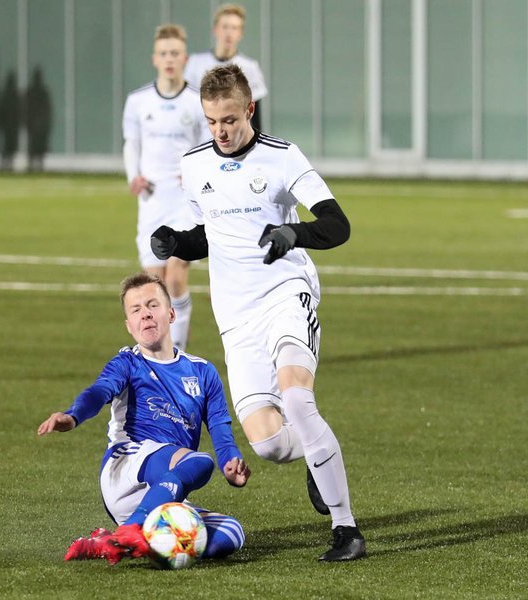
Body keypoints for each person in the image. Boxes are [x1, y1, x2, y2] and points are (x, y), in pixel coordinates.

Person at [150, 64, 366, 562]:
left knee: (297, 400)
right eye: (211, 122)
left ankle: (346, 528)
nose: (220, 131)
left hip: (285, 293)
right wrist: (176, 242)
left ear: (249, 109)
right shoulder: (195, 165)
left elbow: (338, 225)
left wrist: (294, 233)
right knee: (268, 443)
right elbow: (212, 235)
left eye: (229, 119)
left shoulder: (282, 156)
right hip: (235, 314)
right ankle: (318, 453)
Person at [37, 273, 250, 565]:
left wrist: (230, 462)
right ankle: (132, 529)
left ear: (171, 313)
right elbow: (99, 391)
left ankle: (113, 542)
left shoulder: (202, 372)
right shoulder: (127, 363)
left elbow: (219, 427)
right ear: (129, 325)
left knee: (231, 533)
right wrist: (73, 416)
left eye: (152, 305)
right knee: (200, 462)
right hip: (127, 468)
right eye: (136, 310)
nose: (145, 314)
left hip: (164, 488)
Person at [121, 24, 207, 350]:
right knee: (155, 285)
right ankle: (162, 351)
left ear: (184, 58)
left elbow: (206, 145)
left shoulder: (197, 101)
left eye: (175, 53)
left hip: (185, 201)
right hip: (152, 200)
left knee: (175, 277)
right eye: (163, 53)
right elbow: (132, 143)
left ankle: (178, 351)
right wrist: (134, 175)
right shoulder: (138, 101)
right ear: (154, 59)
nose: (169, 59)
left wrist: (195, 173)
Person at [184, 3, 268, 130]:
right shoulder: (196, 63)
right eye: (225, 27)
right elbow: (186, 105)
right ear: (215, 30)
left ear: (241, 33)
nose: (229, 33)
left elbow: (254, 117)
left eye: (234, 28)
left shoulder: (250, 68)